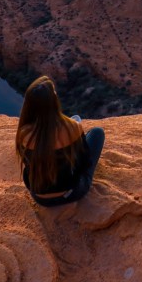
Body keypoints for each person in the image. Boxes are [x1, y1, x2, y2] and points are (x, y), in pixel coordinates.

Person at [15, 75, 105, 206]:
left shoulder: (24, 134)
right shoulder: (72, 127)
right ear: (53, 102)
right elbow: (84, 162)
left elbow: (29, 163)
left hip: (39, 197)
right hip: (71, 193)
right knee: (97, 133)